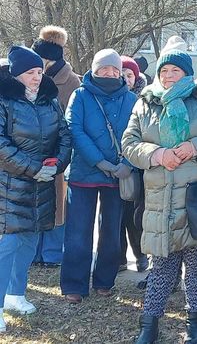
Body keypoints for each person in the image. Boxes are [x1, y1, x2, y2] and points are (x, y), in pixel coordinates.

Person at [122, 49, 197, 344]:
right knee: (162, 266)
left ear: (187, 73)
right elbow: (129, 143)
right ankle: (149, 325)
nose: (168, 76)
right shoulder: (146, 103)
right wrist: (157, 154)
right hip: (160, 198)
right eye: (164, 71)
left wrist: (196, 147)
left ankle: (194, 325)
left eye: (175, 71)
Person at [0, 46, 72, 330]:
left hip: (42, 183)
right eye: (30, 73)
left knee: (29, 240)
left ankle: (15, 294)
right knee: (10, 243)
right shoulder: (4, 100)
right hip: (11, 185)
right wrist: (33, 168)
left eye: (39, 72)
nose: (36, 77)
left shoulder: (49, 100)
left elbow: (65, 134)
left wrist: (57, 165)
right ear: (16, 75)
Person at [60, 49, 137, 304]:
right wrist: (99, 161)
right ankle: (74, 284)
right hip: (84, 172)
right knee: (78, 232)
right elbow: (74, 130)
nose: (110, 73)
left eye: (114, 69)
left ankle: (105, 280)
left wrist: (126, 163)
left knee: (112, 233)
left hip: (118, 176)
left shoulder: (131, 99)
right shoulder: (80, 95)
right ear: (94, 69)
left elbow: (137, 134)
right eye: (104, 68)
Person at [31, 26, 80, 267]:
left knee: (57, 203)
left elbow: (71, 122)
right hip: (30, 150)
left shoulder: (71, 82)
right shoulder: (30, 76)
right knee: (34, 201)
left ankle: (51, 253)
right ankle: (34, 252)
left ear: (50, 60)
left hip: (56, 152)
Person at [118, 56, 149, 273]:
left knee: (134, 216)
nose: (125, 79)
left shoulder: (145, 99)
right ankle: (119, 257)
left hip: (138, 165)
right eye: (121, 74)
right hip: (114, 163)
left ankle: (141, 255)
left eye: (129, 75)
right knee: (115, 218)